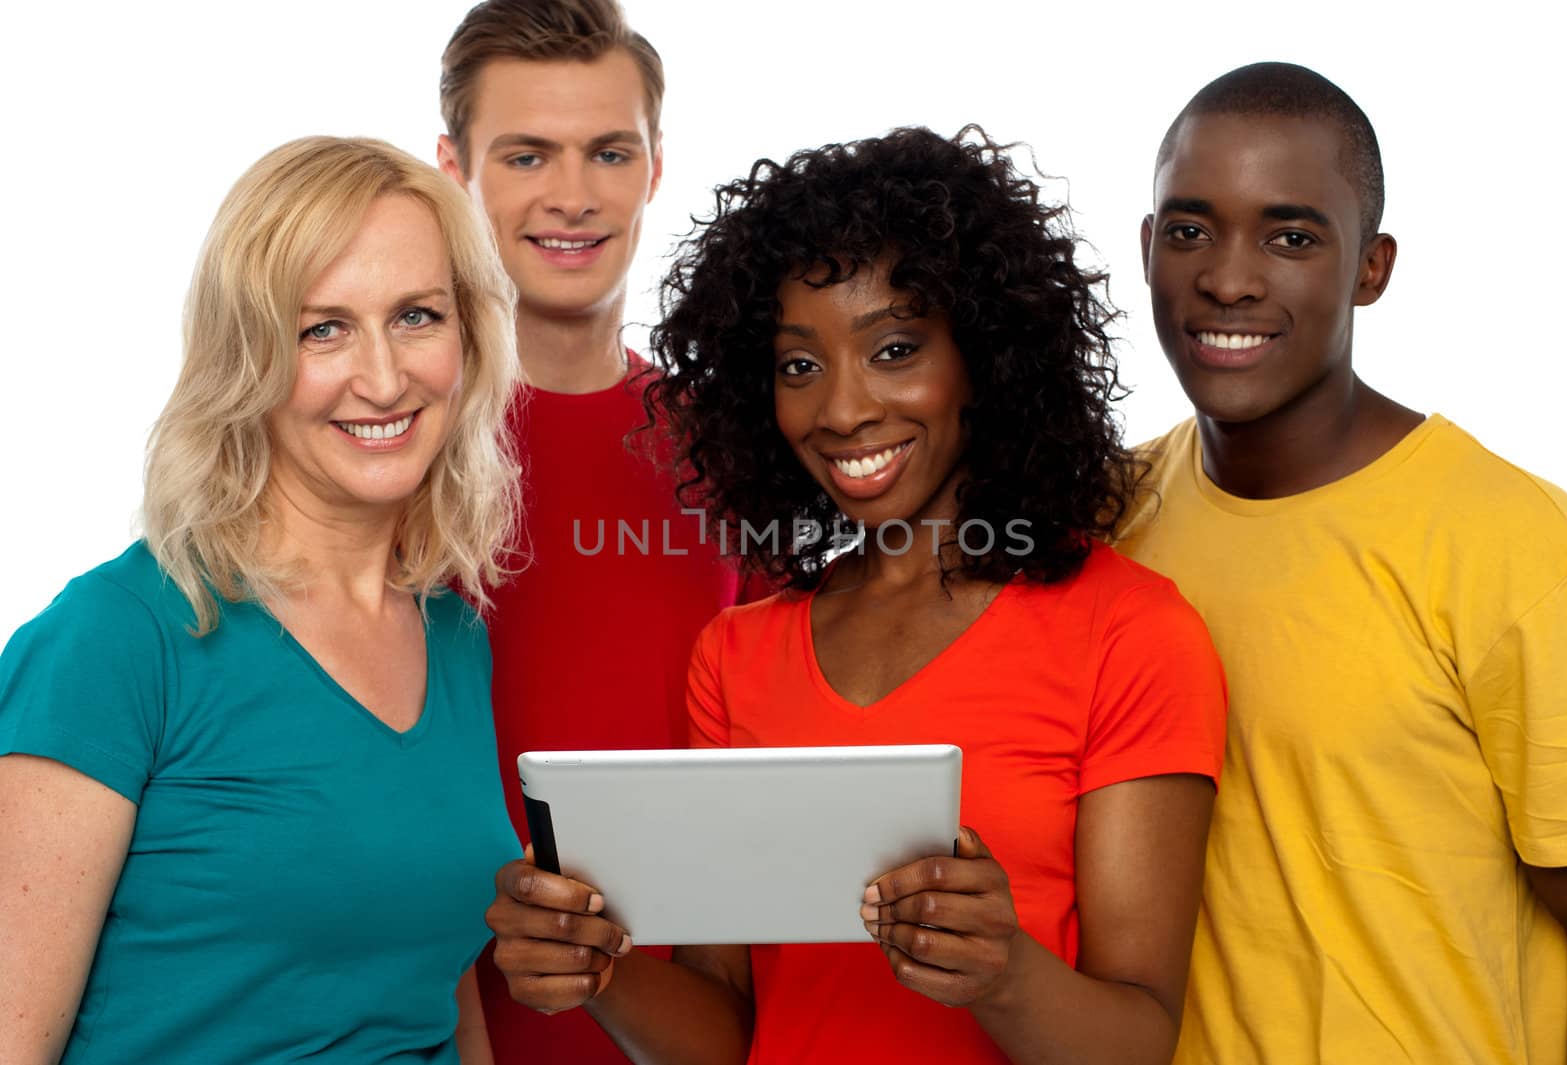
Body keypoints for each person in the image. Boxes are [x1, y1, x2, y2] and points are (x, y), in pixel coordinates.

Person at [485, 126, 1229, 1064]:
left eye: (894, 348)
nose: (840, 410)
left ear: (985, 356)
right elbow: (727, 1032)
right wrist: (594, 963)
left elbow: (1140, 1040)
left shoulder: (1130, 633)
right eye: (800, 365)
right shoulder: (738, 653)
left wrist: (1001, 972)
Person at [0, 136, 522, 1065]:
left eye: (416, 316)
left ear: (467, 339)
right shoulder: (116, 639)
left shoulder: (452, 634)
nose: (384, 377)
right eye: (323, 328)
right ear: (247, 360)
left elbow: (438, 995)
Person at [1116, 62, 1567, 1064]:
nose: (1228, 277)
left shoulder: (1517, 545)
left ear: (1371, 269)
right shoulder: (1104, 516)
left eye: (1290, 237)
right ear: (1146, 248)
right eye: (1189, 229)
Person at [435, 3, 739, 1058]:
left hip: (687, 1033)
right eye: (527, 154)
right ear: (453, 167)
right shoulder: (382, 448)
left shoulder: (736, 451)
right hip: (436, 1028)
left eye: (609, 152)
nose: (573, 196)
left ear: (655, 167)